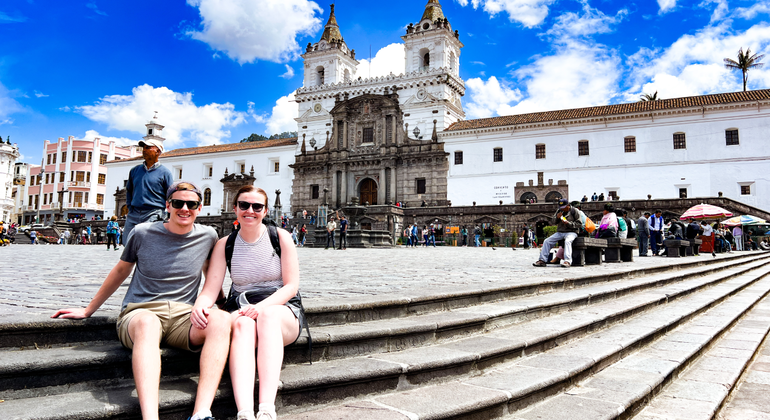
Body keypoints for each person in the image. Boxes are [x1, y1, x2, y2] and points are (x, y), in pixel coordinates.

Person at [52, 181, 230, 420]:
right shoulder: (143, 232)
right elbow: (120, 271)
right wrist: (88, 310)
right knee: (148, 323)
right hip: (140, 312)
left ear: (199, 207)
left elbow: (210, 272)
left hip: (182, 317)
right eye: (178, 203)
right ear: (168, 205)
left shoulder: (208, 235)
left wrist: (221, 305)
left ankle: (201, 412)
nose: (185, 208)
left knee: (220, 322)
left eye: (191, 204)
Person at [206, 186, 304, 420]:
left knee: (267, 318)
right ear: (235, 208)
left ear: (265, 210)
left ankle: (267, 408)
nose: (250, 210)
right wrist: (201, 304)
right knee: (242, 325)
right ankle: (245, 412)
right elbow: (210, 288)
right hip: (243, 306)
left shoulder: (280, 237)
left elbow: (291, 286)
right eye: (244, 205)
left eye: (256, 206)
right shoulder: (224, 244)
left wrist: (260, 308)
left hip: (281, 309)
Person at [123, 138, 174, 243]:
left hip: (154, 213)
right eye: (143, 148)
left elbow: (170, 196)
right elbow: (129, 191)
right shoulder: (134, 171)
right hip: (134, 213)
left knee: (147, 242)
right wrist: (130, 208)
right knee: (127, 242)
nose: (144, 150)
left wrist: (169, 216)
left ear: (158, 151)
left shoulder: (165, 173)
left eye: (148, 147)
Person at [533, 199, 581, 268]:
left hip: (571, 232)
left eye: (564, 207)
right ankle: (542, 260)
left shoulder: (574, 211)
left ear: (568, 205)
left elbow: (579, 224)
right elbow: (553, 222)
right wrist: (557, 218)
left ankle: (567, 261)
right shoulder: (559, 211)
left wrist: (569, 223)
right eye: (561, 207)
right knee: (547, 241)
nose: (562, 209)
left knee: (567, 241)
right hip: (560, 232)